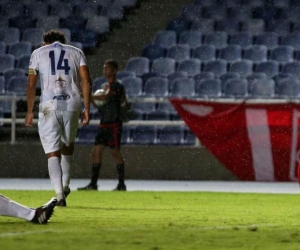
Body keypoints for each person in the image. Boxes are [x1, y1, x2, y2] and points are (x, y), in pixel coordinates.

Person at [25, 30, 92, 206]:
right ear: (62, 41)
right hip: (71, 104)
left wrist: (30, 111)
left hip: (49, 105)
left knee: (52, 152)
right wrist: (87, 108)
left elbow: (31, 84)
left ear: (45, 41)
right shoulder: (76, 52)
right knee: (67, 145)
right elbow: (86, 80)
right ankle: (66, 184)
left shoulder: (38, 53)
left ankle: (60, 194)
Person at [77, 59, 127, 191]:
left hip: (114, 124)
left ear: (115, 70)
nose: (105, 71)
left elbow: (106, 97)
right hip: (104, 123)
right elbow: (99, 105)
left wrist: (90, 95)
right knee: (96, 151)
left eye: (108, 68)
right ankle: (93, 184)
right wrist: (91, 99)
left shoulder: (117, 85)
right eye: (104, 68)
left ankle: (121, 184)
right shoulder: (104, 86)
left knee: (115, 152)